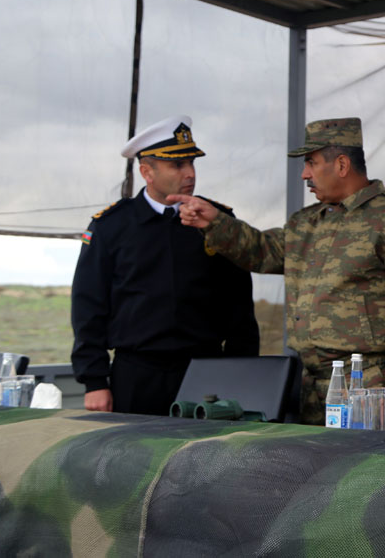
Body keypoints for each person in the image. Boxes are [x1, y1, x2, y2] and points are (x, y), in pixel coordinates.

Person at [171, 117, 385, 425]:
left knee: (363, 459)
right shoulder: (306, 222)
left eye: (311, 162)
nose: (304, 174)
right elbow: (262, 251)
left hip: (367, 385)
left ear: (341, 165)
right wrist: (215, 222)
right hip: (311, 387)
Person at [71, 115, 259, 416]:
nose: (190, 173)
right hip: (137, 374)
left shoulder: (217, 221)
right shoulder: (111, 226)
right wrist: (94, 381)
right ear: (147, 172)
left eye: (192, 163)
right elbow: (88, 307)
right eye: (177, 165)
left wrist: (240, 373)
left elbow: (239, 308)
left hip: (206, 375)